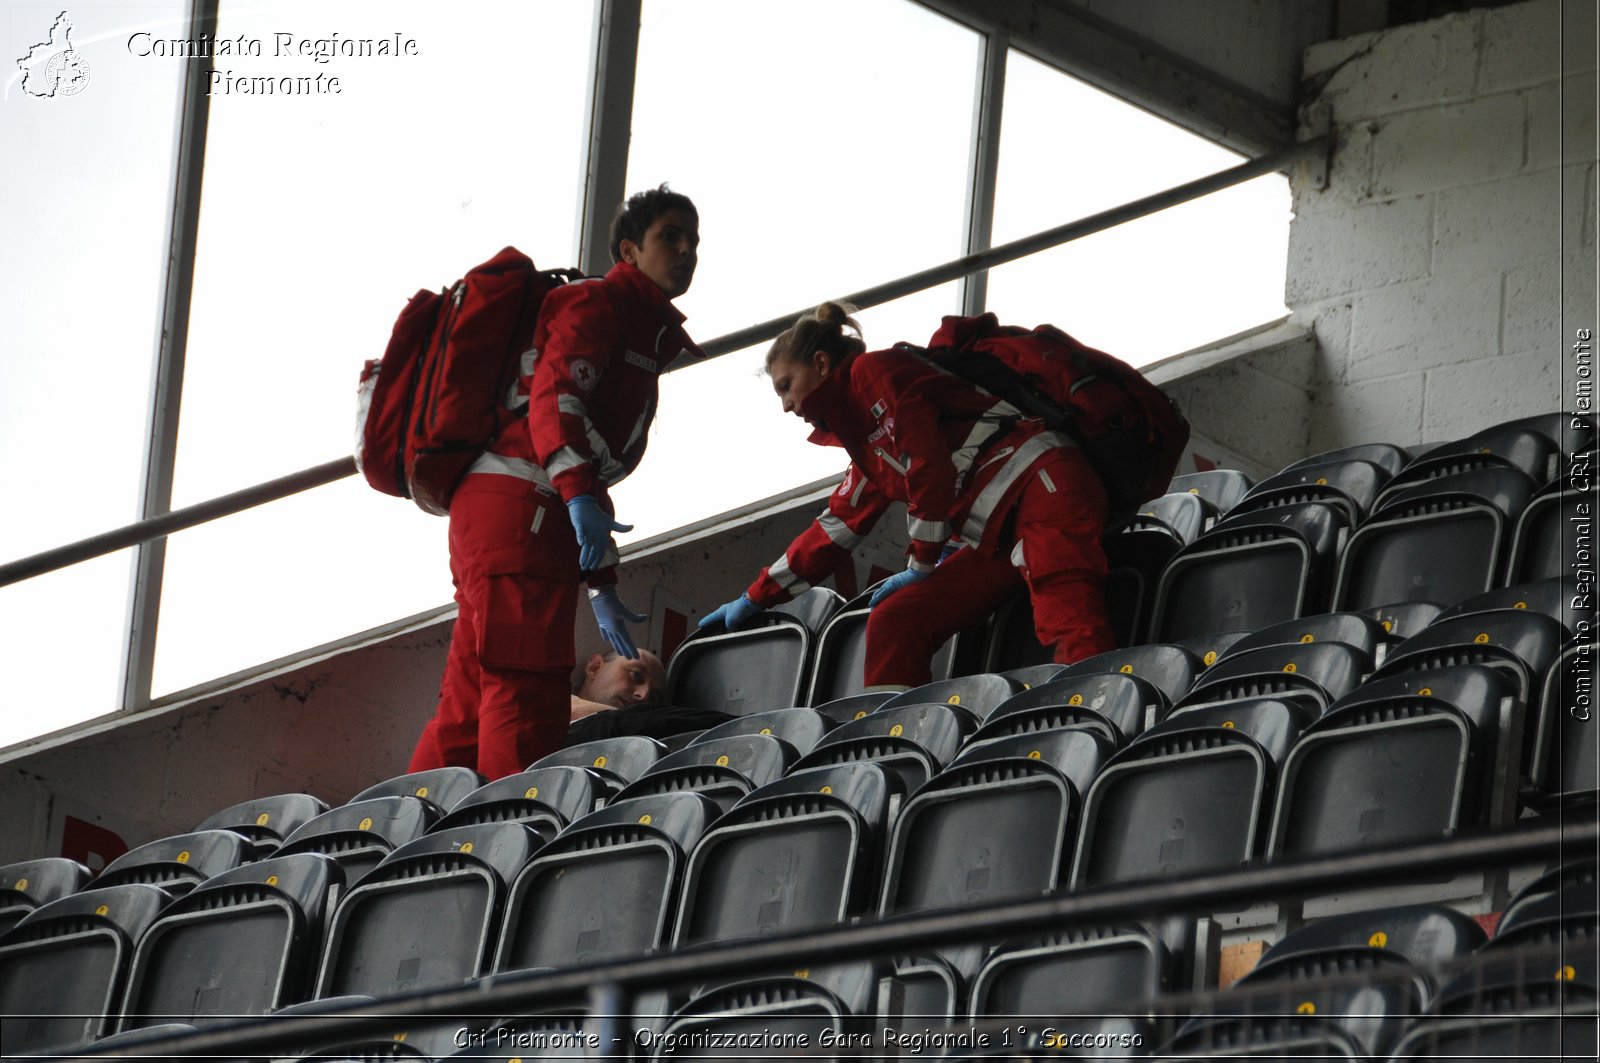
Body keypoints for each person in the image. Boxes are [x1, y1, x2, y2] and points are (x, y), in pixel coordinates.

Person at [408, 185, 702, 780]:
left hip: (511, 514)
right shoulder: (599, 306)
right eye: (669, 236)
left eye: (693, 240)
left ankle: (416, 842)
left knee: (469, 701)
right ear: (627, 248)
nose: (686, 251)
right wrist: (575, 496)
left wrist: (601, 583)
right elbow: (554, 405)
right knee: (527, 690)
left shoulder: (638, 329)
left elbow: (581, 457)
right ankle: (508, 847)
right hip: (523, 510)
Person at [701, 302, 1115, 689]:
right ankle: (892, 753)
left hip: (1047, 486)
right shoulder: (863, 445)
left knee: (1066, 608)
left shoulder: (874, 373)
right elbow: (834, 530)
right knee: (896, 619)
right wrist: (755, 597)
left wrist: (922, 561)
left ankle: (1098, 716)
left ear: (821, 364)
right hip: (1000, 533)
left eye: (786, 387)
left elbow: (927, 462)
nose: (788, 406)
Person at [565, 648, 737, 746]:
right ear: (595, 667)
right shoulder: (551, 707)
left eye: (654, 698)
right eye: (635, 675)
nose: (643, 694)